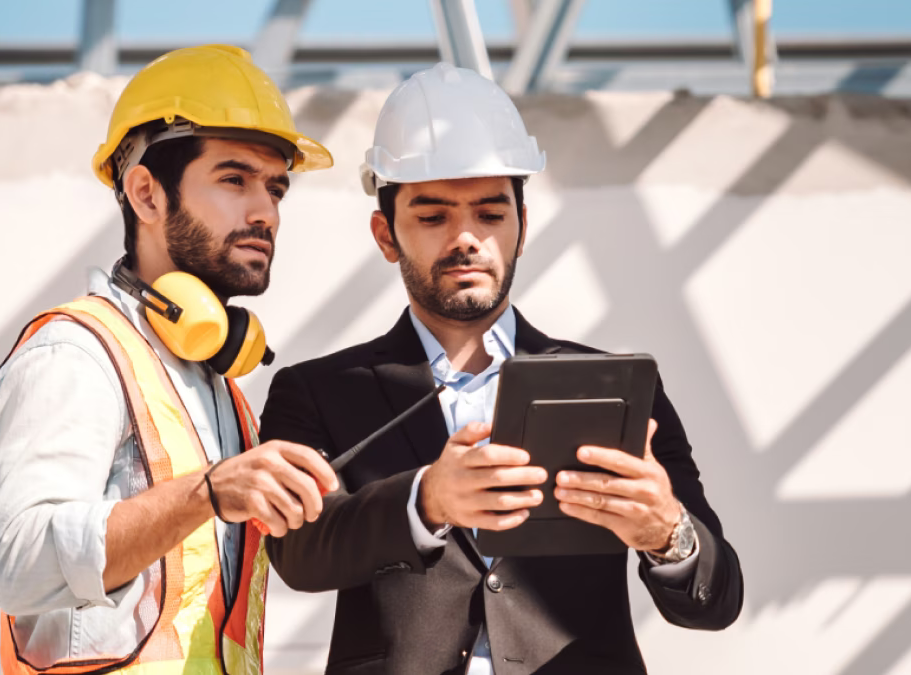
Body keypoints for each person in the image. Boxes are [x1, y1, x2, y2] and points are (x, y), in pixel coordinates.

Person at [259, 63, 744, 674]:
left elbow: (717, 600)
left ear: (521, 226)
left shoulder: (616, 388)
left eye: (490, 215)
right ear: (385, 235)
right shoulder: (318, 391)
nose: (466, 238)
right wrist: (426, 499)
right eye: (433, 217)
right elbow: (298, 550)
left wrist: (667, 533)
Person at [0, 45, 338, 675]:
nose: (266, 212)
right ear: (146, 194)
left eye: (276, 187)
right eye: (234, 180)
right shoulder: (76, 354)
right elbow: (21, 566)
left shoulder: (217, 386)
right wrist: (206, 493)